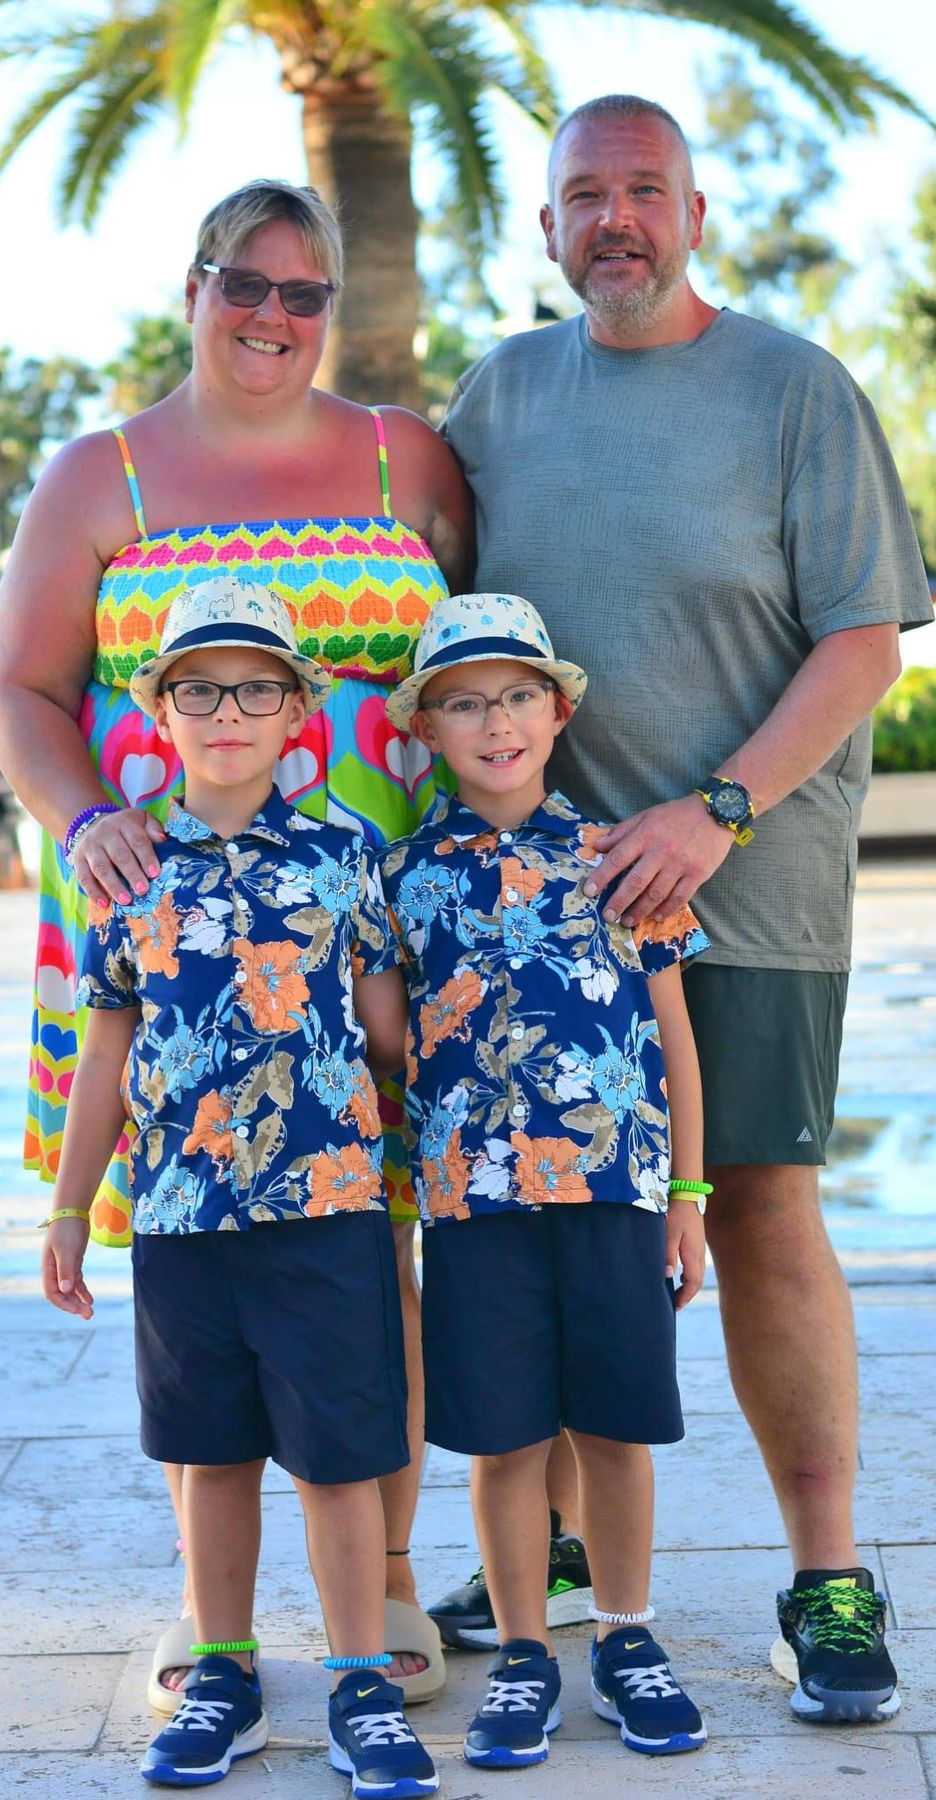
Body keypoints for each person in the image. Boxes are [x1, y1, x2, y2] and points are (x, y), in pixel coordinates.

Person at [438, 93, 934, 1725]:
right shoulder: (501, 392)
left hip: (752, 889)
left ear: (697, 212)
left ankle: (828, 1581)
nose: (617, 219)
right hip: (537, 934)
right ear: (546, 231)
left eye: (645, 189)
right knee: (553, 1225)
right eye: (586, 195)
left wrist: (717, 811)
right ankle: (566, 1548)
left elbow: (869, 638)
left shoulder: (797, 389)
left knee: (767, 1205)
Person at [0, 176, 472, 1703]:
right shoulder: (99, 477)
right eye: (241, 282)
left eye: (303, 292)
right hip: (166, 935)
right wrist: (82, 827)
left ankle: (383, 1588)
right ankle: (219, 1627)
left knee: (374, 1245)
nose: (271, 315)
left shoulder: (411, 460)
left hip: (369, 929)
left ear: (334, 309)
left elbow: (479, 661)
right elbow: (22, 692)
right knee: (194, 1264)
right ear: (190, 289)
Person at [40, 578, 438, 1798]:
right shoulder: (127, 869)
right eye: (199, 688)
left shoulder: (345, 854)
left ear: (298, 715)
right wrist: (70, 1205)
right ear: (158, 712)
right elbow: (104, 1049)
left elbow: (388, 1034)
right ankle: (222, 1668)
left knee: (336, 1459)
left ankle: (362, 1677)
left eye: (256, 688)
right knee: (209, 1455)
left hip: (326, 1211)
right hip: (180, 1215)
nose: (228, 710)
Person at [379, 591, 709, 1766]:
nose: (496, 722)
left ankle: (624, 1636)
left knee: (616, 1429)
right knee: (506, 1439)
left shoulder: (624, 855)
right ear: (425, 729)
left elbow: (674, 1035)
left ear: (558, 710)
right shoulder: (401, 879)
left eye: (517, 696)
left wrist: (689, 1198)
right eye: (464, 704)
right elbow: (382, 1034)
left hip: (617, 1191)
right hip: (475, 1206)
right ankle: (523, 1652)